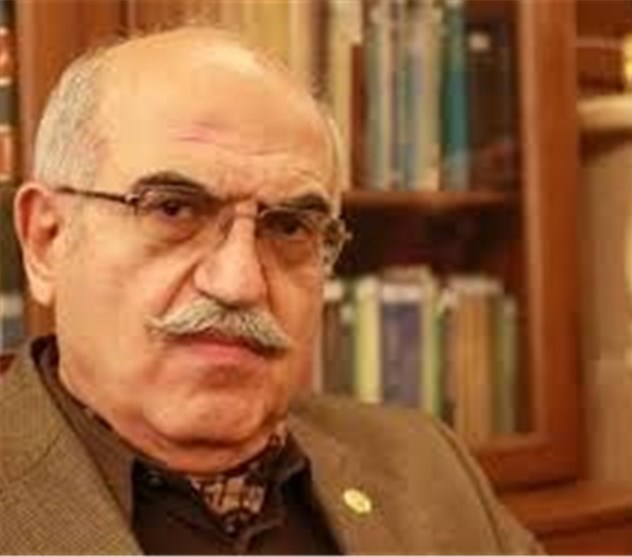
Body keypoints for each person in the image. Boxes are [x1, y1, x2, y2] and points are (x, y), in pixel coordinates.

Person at [0, 27, 538, 554]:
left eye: (289, 227)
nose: (239, 283)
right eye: (173, 209)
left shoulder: (427, 467)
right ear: (47, 240)